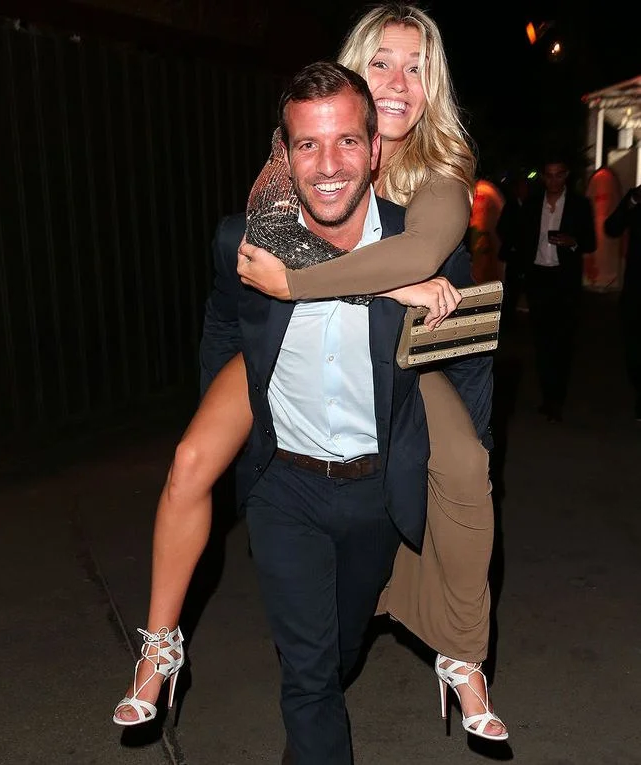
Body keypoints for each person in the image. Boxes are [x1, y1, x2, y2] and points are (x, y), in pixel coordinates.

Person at [113, 1, 506, 747]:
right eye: (382, 63)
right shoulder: (308, 141)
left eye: (418, 68)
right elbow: (259, 250)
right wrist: (382, 286)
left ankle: (462, 650)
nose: (398, 83)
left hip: (400, 371)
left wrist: (379, 284)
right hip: (284, 370)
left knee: (465, 465)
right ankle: (160, 644)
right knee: (191, 460)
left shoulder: (442, 176)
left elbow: (415, 264)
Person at [204, 60, 490, 765]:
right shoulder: (246, 241)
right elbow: (225, 328)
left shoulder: (422, 247)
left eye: (346, 143)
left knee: (338, 652)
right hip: (284, 488)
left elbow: (468, 365)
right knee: (307, 675)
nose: (328, 165)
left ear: (375, 149)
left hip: (375, 490)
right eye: (308, 144)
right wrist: (226, 435)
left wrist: (466, 463)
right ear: (285, 151)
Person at [518, 154, 597, 422]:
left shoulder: (579, 205)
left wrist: (573, 242)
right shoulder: (532, 204)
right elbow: (522, 238)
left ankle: (556, 399)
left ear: (566, 175)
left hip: (564, 281)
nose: (553, 180)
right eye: (549, 175)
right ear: (543, 176)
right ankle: (548, 396)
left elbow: (591, 241)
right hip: (538, 278)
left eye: (558, 175)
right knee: (541, 341)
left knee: (562, 341)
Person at [604, 183, 641, 420]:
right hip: (636, 288)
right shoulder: (635, 198)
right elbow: (612, 227)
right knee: (634, 346)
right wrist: (633, 201)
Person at [496, 171, 530, 329]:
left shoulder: (532, 205)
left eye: (526, 187)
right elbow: (501, 228)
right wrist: (511, 242)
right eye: (521, 187)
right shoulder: (510, 206)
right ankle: (509, 322)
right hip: (513, 254)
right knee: (512, 288)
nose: (524, 190)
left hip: (528, 254)